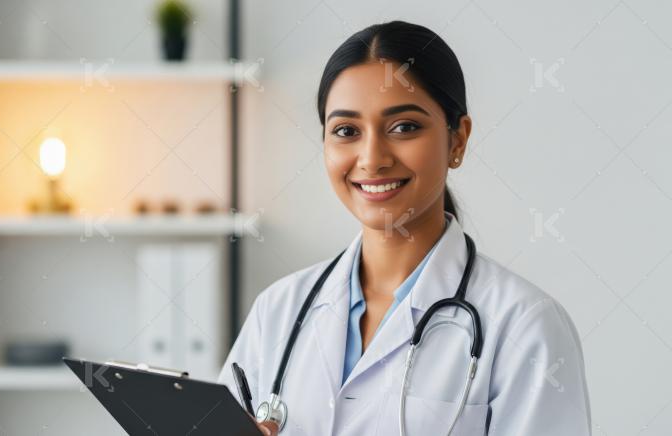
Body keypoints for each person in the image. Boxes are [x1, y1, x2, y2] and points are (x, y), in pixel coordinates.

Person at [219, 20, 591, 435]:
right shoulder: (279, 311)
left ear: (457, 140)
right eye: (346, 131)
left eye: (404, 127)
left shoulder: (525, 325)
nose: (372, 158)